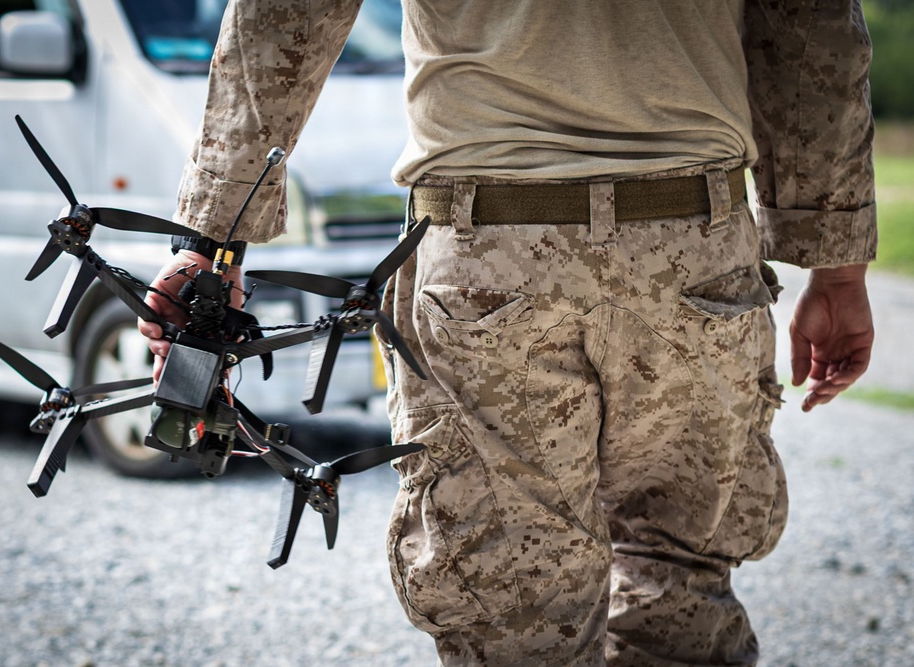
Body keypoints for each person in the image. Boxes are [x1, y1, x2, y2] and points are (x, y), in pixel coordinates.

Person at [138, 1, 877, 664]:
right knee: (679, 588)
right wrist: (837, 267)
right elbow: (813, 31)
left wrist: (213, 241)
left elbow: (284, 16)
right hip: (694, 251)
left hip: (488, 256)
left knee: (515, 607)